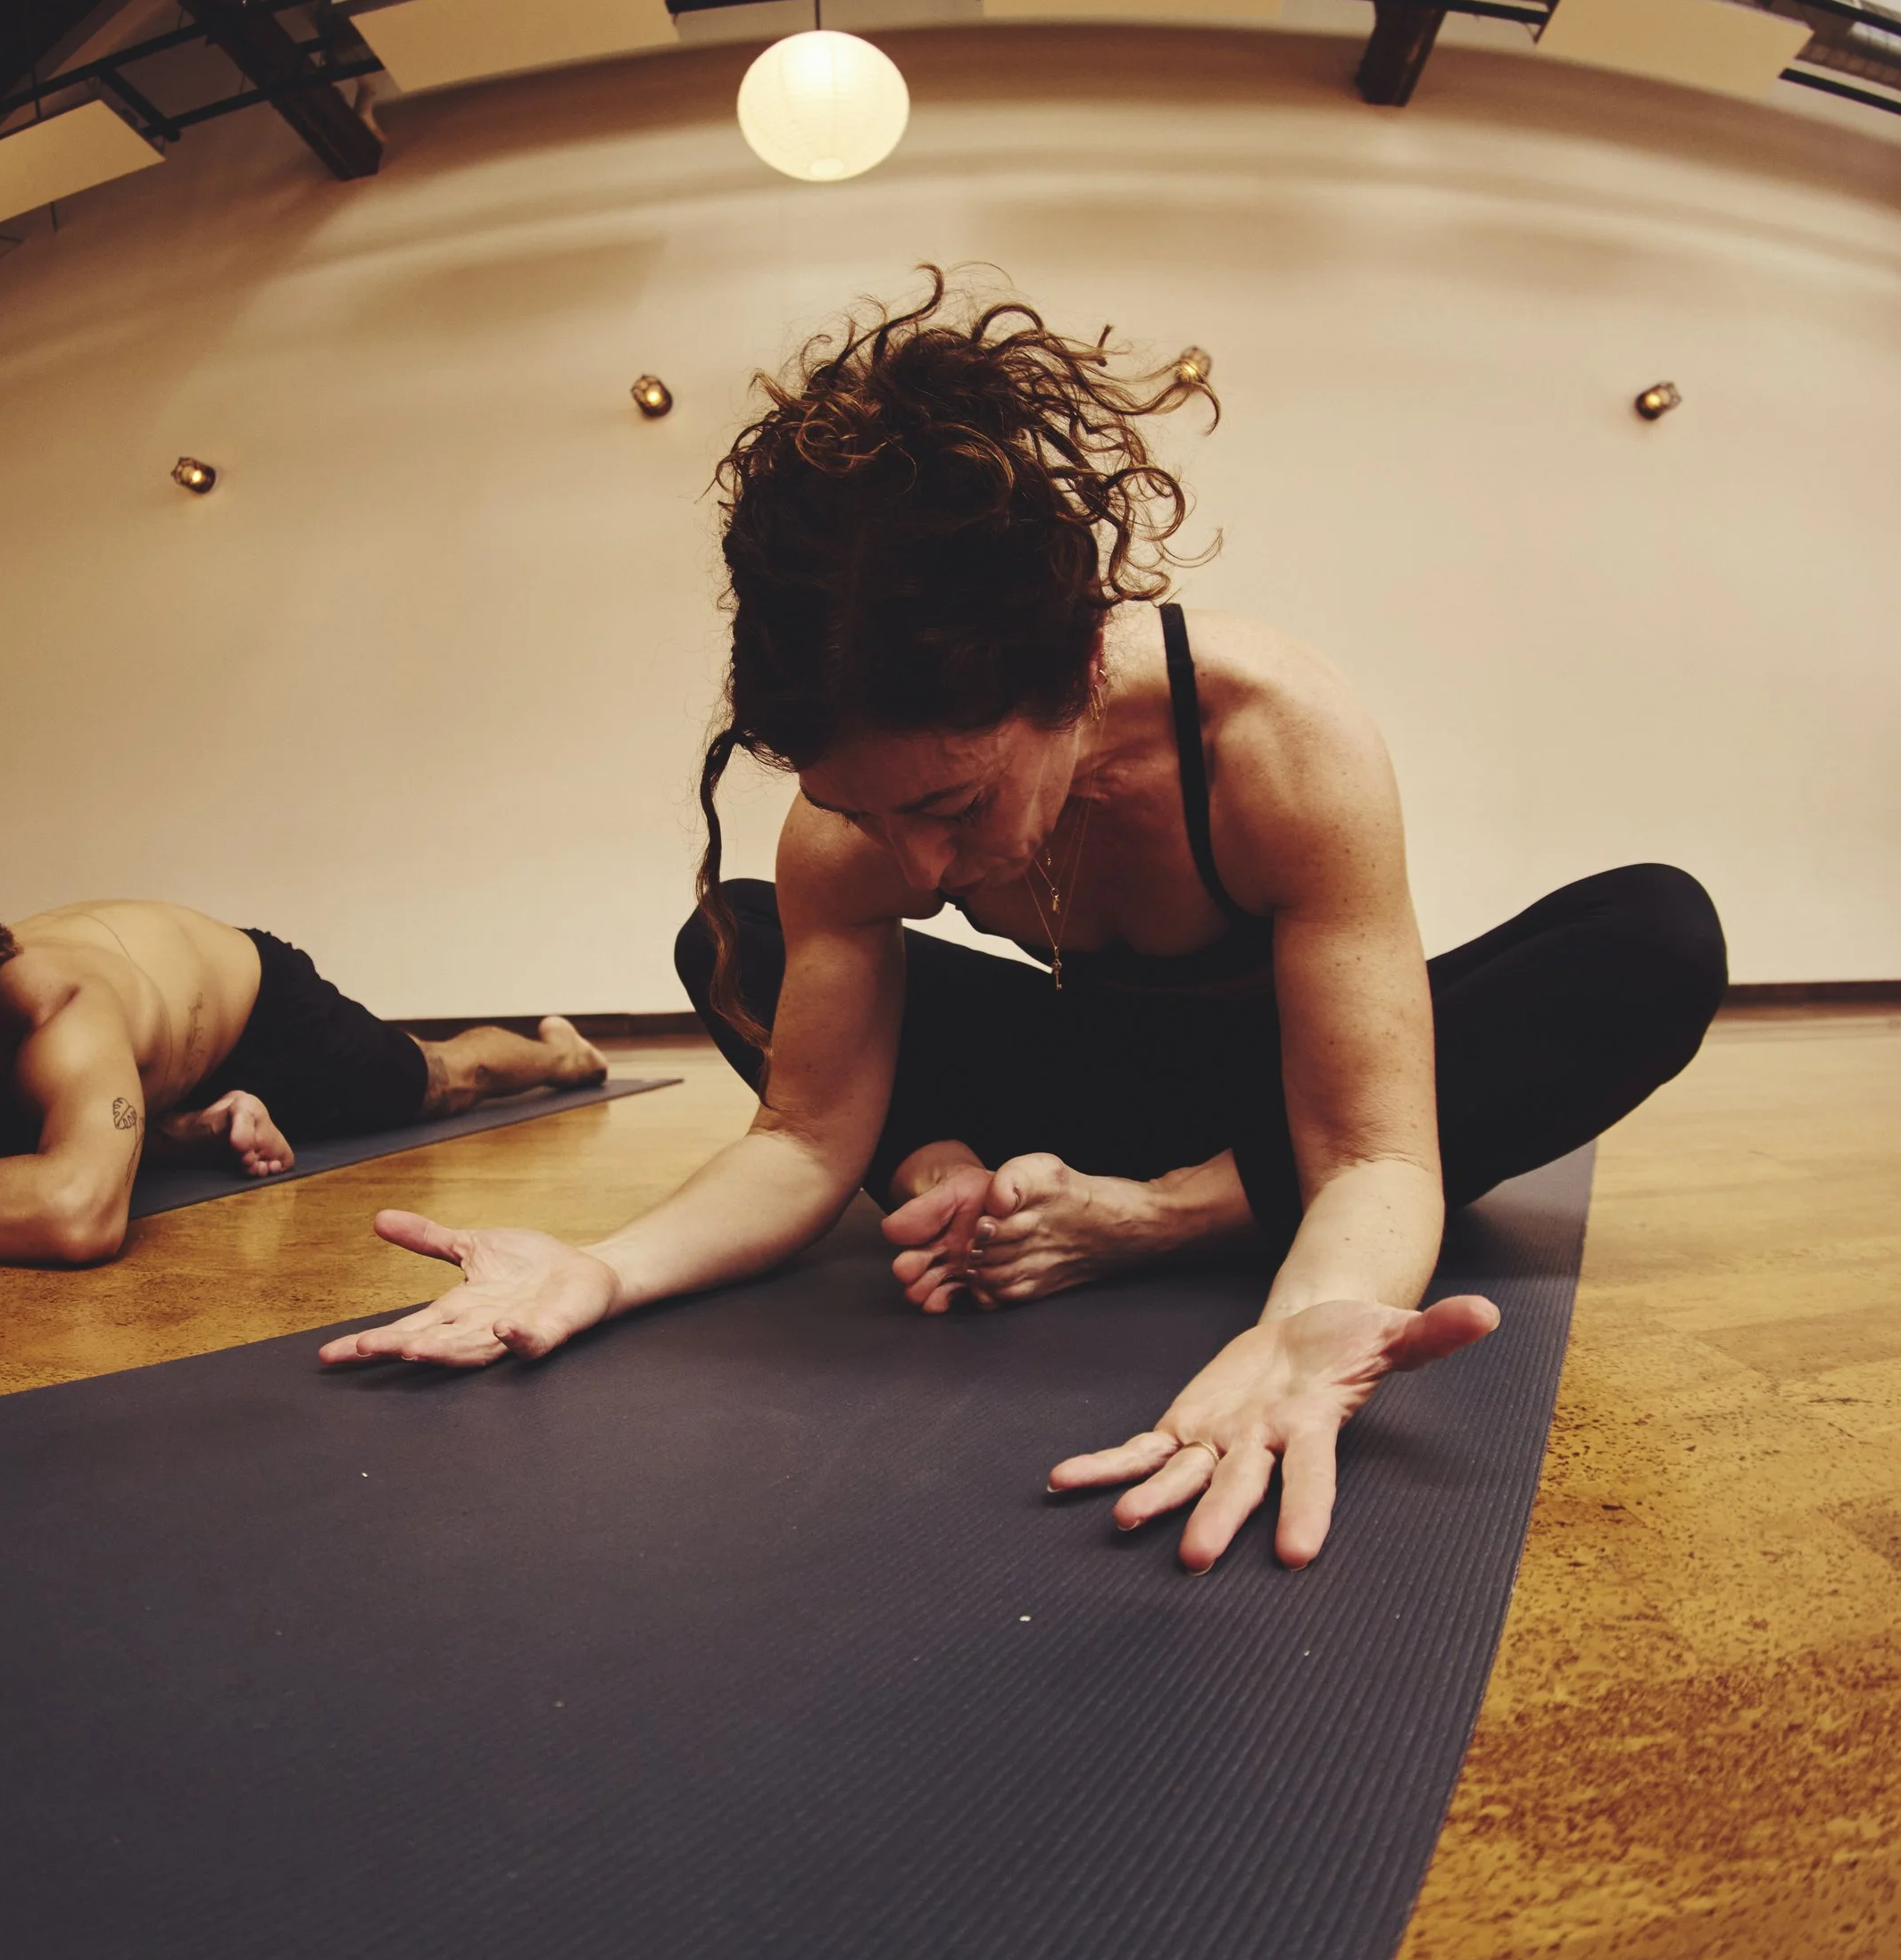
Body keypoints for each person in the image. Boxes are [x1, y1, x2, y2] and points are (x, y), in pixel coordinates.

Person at [323, 274, 1725, 1571]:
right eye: (864, 813)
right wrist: (601, 1268)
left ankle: (1155, 1219)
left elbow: (1369, 1146)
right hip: (1079, 1084)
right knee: (737, 937)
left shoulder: (1273, 738)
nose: (919, 867)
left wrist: (1297, 1326)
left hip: (1274, 1109)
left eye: (950, 801)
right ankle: (989, 1186)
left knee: (1654, 936)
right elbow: (807, 1137)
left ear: (1072, 669)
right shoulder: (859, 832)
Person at [0, 790, 608, 1267]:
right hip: (126, 1061)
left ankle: (556, 1052)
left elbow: (77, 1213)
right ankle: (189, 1125)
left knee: (441, 1078)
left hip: (248, 1005)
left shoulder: (55, 1013)